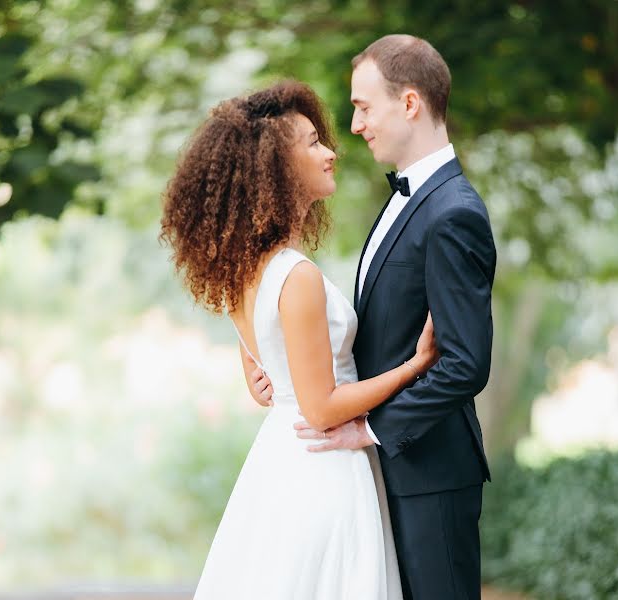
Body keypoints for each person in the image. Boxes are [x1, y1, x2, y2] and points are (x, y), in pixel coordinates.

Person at [160, 80, 441, 600]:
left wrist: (263, 378)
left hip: (280, 464)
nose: (331, 152)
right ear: (276, 167)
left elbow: (261, 371)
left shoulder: (241, 269)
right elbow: (322, 408)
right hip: (323, 468)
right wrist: (415, 365)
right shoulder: (296, 275)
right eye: (313, 143)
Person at [251, 35, 496, 600]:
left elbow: (464, 363)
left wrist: (372, 428)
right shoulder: (405, 201)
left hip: (430, 474)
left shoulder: (454, 213)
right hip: (380, 472)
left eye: (363, 106)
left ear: (409, 103)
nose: (355, 125)